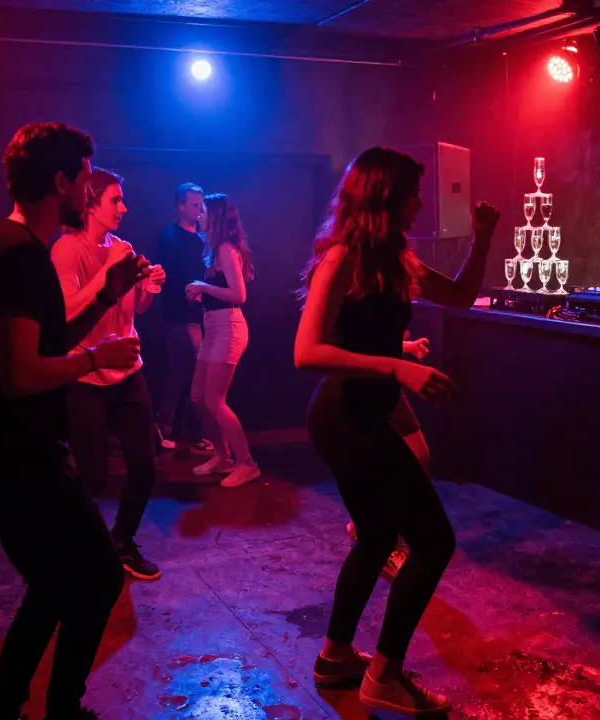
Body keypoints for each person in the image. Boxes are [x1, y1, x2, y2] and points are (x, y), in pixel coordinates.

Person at [0, 122, 150, 720]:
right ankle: (59, 708)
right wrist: (97, 358)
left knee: (58, 582)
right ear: (60, 182)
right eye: (86, 181)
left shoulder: (14, 248)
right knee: (96, 579)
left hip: (3, 454)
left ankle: (7, 707)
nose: (90, 193)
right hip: (10, 458)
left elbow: (44, 340)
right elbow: (20, 374)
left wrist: (105, 293)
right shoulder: (18, 256)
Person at [294, 147, 500, 716]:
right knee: (434, 542)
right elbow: (306, 351)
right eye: (414, 193)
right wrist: (397, 365)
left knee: (381, 537)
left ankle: (336, 657)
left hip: (360, 413)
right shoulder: (342, 261)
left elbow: (459, 296)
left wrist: (482, 238)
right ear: (386, 196)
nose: (421, 203)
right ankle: (383, 677)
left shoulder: (395, 259)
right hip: (346, 418)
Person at [52, 168, 167, 581]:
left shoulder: (123, 246)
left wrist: (149, 286)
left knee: (145, 466)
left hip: (128, 370)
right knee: (94, 476)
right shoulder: (66, 250)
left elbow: (134, 308)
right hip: (87, 374)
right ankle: (77, 545)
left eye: (123, 200)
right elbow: (65, 312)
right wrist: (105, 273)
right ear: (90, 203)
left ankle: (121, 541)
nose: (124, 207)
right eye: (115, 200)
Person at [184, 193, 260, 488]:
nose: (199, 215)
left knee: (214, 400)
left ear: (214, 217)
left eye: (203, 211)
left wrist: (203, 285)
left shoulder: (227, 249)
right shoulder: (215, 250)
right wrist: (206, 291)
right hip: (214, 326)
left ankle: (247, 463)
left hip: (229, 327)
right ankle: (222, 457)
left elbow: (239, 295)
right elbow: (223, 290)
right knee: (198, 398)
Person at [343, 332, 432, 579]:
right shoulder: (347, 299)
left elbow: (377, 340)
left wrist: (408, 347)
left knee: (412, 460)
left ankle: (366, 526)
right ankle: (387, 544)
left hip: (385, 384)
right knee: (411, 459)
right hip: (368, 385)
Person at [154, 183, 212, 453]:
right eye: (193, 205)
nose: (199, 209)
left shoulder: (204, 239)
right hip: (178, 315)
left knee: (194, 374)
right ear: (180, 206)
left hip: (201, 317)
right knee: (182, 371)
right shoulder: (171, 236)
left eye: (201, 204)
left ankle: (186, 432)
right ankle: (165, 427)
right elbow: (167, 277)